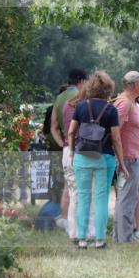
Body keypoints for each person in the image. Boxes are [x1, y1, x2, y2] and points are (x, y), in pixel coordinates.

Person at [66, 70, 127, 249]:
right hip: (104, 158)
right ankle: (99, 240)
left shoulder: (81, 106)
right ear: (108, 90)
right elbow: (116, 139)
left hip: (82, 156)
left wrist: (71, 151)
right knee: (101, 199)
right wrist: (122, 163)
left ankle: (82, 239)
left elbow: (71, 132)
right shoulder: (111, 110)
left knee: (83, 198)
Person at [112, 71, 139, 244]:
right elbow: (115, 132)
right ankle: (125, 238)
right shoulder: (124, 103)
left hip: (132, 157)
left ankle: (120, 236)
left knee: (127, 198)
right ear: (134, 85)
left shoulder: (132, 103)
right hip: (127, 159)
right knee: (127, 199)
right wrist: (121, 161)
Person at [52, 68, 87, 238]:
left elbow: (53, 126)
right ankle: (80, 228)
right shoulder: (81, 97)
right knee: (83, 190)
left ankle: (66, 221)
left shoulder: (59, 98)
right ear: (81, 81)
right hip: (81, 147)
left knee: (69, 187)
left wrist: (62, 143)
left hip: (66, 146)